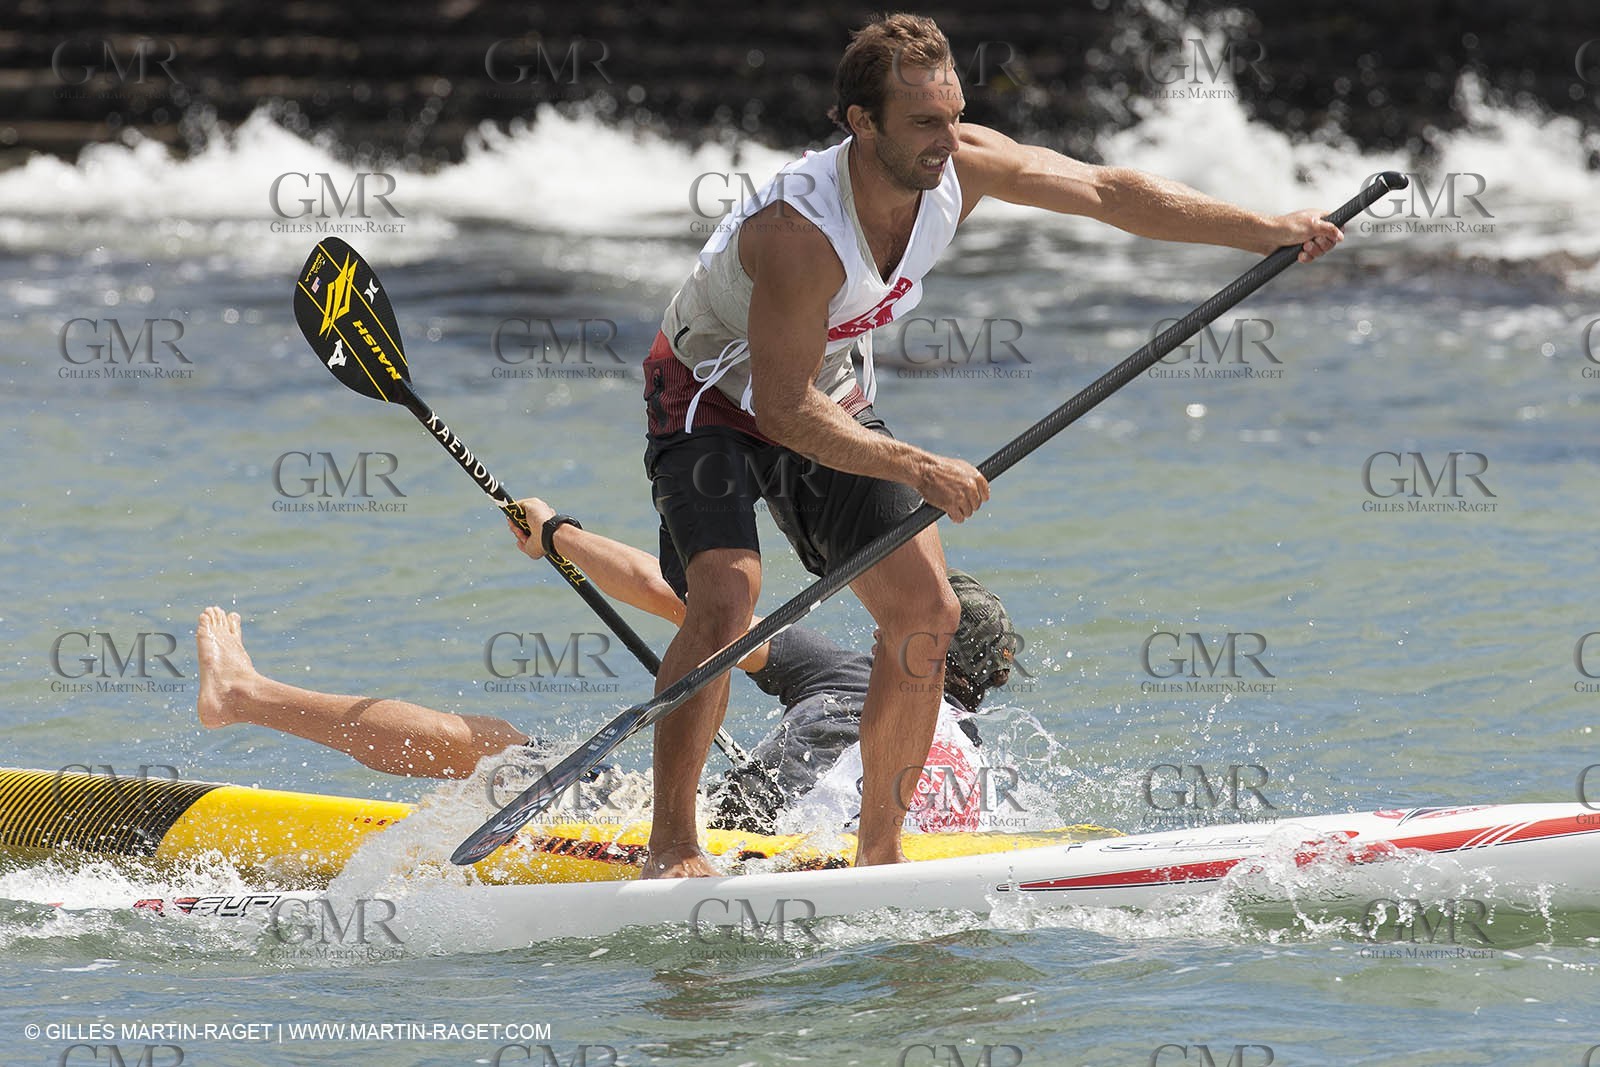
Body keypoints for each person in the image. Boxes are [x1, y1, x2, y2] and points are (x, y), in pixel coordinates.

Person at [640, 12, 1345, 876]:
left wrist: (1265, 226)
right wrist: (917, 464)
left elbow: (1106, 191)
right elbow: (779, 413)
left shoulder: (962, 166)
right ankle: (671, 845)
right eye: (924, 124)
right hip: (711, 394)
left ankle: (881, 856)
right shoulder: (801, 234)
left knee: (926, 613)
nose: (949, 140)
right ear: (861, 125)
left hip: (821, 389)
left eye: (954, 114)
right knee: (725, 598)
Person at [193, 497, 1021, 835]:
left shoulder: (846, 673)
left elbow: (678, 597)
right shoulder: (985, 778)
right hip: (778, 866)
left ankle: (246, 694)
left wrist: (558, 535)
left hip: (695, 847)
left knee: (500, 750)